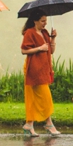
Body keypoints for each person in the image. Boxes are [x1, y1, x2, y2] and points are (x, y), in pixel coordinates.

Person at [21, 8, 60, 137]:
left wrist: (53, 39)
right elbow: (24, 50)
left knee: (37, 98)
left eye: (46, 20)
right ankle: (49, 124)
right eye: (43, 21)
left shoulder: (44, 33)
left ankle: (29, 124)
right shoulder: (30, 33)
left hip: (44, 69)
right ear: (35, 20)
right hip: (34, 69)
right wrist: (39, 48)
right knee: (45, 97)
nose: (45, 23)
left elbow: (51, 51)